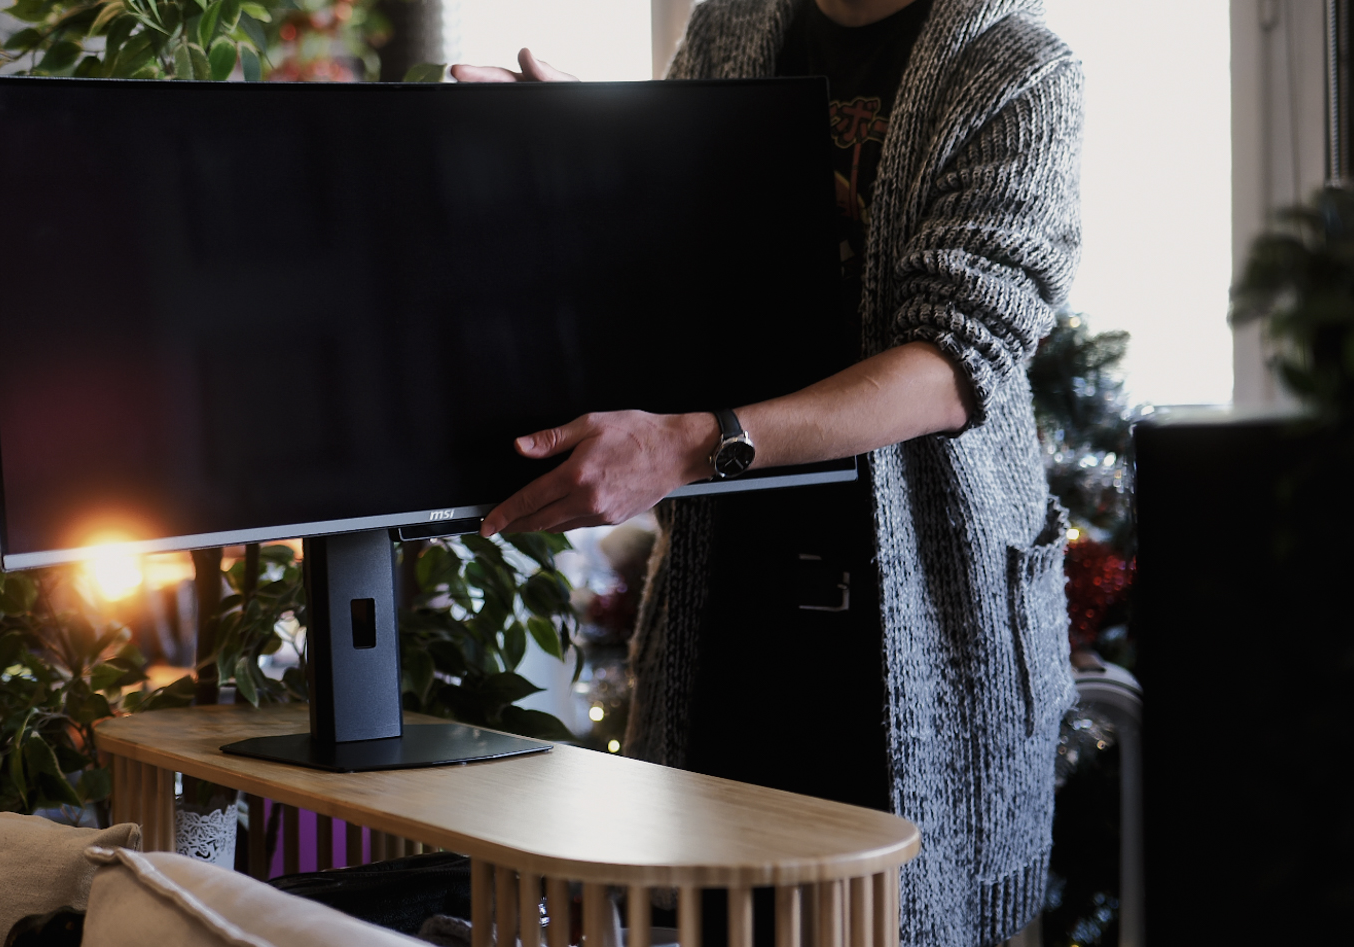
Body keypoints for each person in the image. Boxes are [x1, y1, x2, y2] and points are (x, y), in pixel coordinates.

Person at [458, 1, 1079, 944]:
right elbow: (682, 238)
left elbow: (951, 367)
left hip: (921, 633)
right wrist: (587, 143)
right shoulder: (731, 26)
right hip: (729, 605)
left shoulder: (1020, 65)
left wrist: (694, 444)